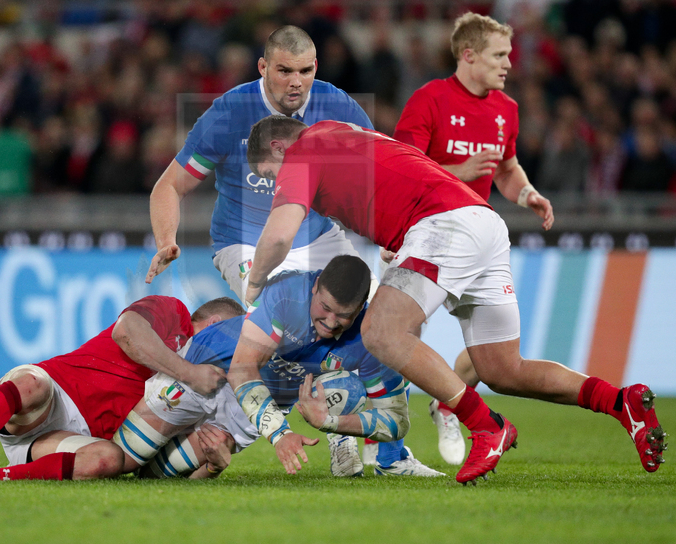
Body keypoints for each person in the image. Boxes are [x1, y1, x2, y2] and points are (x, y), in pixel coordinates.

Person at [239, 115, 666, 484]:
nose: (275, 183)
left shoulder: (303, 150)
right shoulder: (341, 137)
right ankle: (620, 402)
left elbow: (278, 235)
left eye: (271, 173)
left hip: (443, 223)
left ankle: (486, 427)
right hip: (479, 220)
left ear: (279, 146)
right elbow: (390, 181)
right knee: (502, 370)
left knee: (381, 331)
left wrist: (254, 281)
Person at [144, 24, 409, 474]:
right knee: (292, 317)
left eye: (305, 71)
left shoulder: (339, 106)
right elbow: (170, 185)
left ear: (315, 69)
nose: (295, 82)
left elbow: (382, 175)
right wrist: (167, 238)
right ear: (263, 66)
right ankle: (233, 423)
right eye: (284, 70)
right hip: (244, 240)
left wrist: (392, 238)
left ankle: (375, 448)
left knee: (373, 320)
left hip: (320, 234)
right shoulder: (228, 113)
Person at [391, 12, 555, 465]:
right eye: (499, 55)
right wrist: (459, 174)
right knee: (397, 336)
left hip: (475, 237)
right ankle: (383, 444)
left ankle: (447, 403)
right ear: (469, 55)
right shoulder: (429, 100)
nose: (508, 64)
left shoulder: (506, 109)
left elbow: (504, 166)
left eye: (508, 54)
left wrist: (526, 192)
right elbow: (401, 171)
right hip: (423, 233)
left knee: (493, 352)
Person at [114, 256, 442, 478]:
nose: (329, 322)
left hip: (246, 407)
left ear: (361, 310)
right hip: (204, 369)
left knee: (158, 476)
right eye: (324, 308)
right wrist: (281, 435)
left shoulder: (373, 337)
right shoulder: (287, 295)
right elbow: (244, 369)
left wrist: (331, 421)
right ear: (314, 288)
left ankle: (202, 460)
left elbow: (396, 422)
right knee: (119, 462)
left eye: (343, 316)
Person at [0, 295, 245, 482]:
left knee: (107, 461)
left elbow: (165, 474)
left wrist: (213, 467)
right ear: (216, 325)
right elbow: (126, 331)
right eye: (230, 341)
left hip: (69, 444)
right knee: (31, 385)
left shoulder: (205, 387)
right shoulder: (175, 313)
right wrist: (186, 371)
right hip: (56, 392)